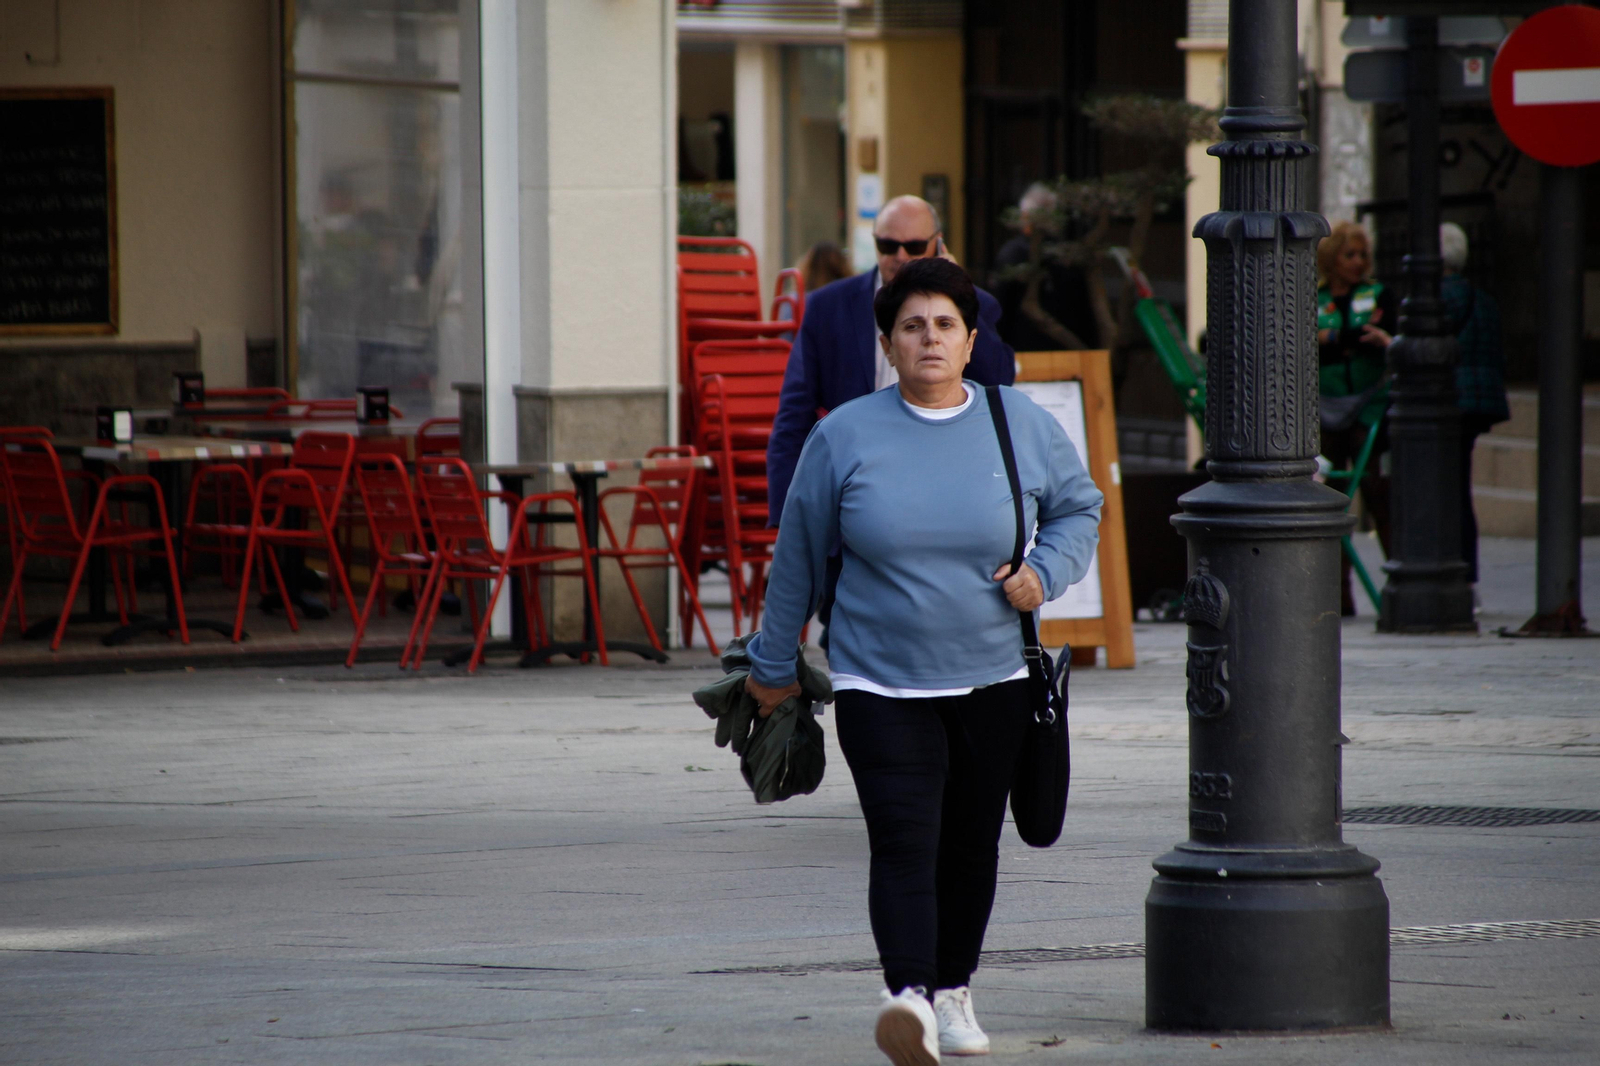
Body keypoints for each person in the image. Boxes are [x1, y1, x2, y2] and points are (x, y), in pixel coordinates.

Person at [743, 258, 1103, 1066]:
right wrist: (773, 663)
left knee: (972, 843)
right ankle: (905, 994)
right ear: (888, 345)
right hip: (878, 678)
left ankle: (952, 991)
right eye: (912, 326)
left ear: (972, 341)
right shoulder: (844, 435)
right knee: (905, 839)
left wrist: (1045, 573)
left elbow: (1082, 508)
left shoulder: (1020, 423)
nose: (929, 338)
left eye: (945, 324)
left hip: (995, 678)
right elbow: (797, 556)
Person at [766, 196, 1017, 525]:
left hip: (947, 478)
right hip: (854, 486)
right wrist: (787, 521)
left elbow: (999, 378)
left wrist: (961, 293)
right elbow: (792, 416)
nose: (900, 256)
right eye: (888, 245)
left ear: (938, 244)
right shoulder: (828, 307)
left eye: (913, 246)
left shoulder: (976, 305)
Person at [1316, 220, 1396, 615]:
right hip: (1325, 405)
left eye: (1363, 255)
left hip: (1370, 405)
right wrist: (1344, 340)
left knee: (1379, 492)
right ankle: (1338, 595)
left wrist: (1334, 340)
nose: (1358, 262)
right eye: (1350, 254)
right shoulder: (1313, 298)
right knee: (1328, 500)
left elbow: (1378, 335)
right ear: (1332, 259)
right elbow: (1316, 345)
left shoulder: (1378, 292)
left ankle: (1399, 586)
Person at [1440, 222, 1509, 589]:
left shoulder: (1438, 297)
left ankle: (1457, 570)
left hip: (1448, 401)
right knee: (1460, 487)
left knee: (1448, 491)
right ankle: (1468, 574)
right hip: (1479, 401)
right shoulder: (1482, 298)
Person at [990, 182, 1098, 351]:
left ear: (1025, 215)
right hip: (1069, 349)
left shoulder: (1013, 253)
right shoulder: (1069, 254)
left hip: (1023, 350)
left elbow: (999, 310)